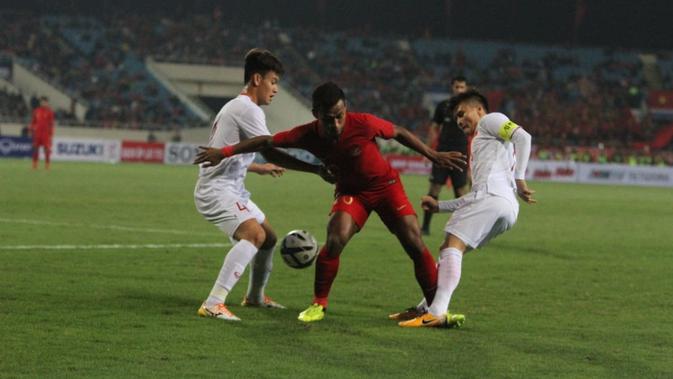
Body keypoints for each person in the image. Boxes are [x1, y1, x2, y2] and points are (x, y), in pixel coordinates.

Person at [194, 82, 466, 323]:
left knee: (414, 242)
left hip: (386, 187)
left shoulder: (363, 123)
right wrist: (224, 151)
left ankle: (433, 308)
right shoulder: (306, 134)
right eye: (328, 119)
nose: (335, 124)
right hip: (351, 192)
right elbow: (265, 141)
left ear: (345, 109)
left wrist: (433, 155)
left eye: (339, 116)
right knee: (335, 239)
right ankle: (318, 304)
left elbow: (398, 132)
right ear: (316, 115)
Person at [194, 49, 333, 321]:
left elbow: (236, 151)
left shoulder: (240, 107)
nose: (276, 89)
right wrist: (314, 169)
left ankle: (255, 297)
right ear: (257, 79)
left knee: (268, 237)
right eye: (273, 81)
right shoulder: (247, 109)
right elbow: (270, 148)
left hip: (230, 188)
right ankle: (213, 302)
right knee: (254, 235)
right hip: (217, 191)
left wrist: (257, 167)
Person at [392, 90, 536, 327]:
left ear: (478, 109)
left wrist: (520, 179)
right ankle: (426, 306)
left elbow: (524, 137)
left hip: (495, 199)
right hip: (504, 207)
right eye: (456, 118)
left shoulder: (490, 120)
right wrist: (439, 205)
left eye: (462, 113)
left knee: (452, 245)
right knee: (448, 250)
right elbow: (477, 196)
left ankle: (436, 312)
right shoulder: (483, 141)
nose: (459, 121)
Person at [421, 76, 470, 235]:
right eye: (457, 87)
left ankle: (461, 229)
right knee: (434, 189)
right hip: (442, 153)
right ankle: (425, 227)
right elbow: (434, 128)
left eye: (462, 87)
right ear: (452, 87)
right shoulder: (443, 107)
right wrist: (427, 151)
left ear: (466, 89)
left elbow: (476, 132)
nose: (459, 90)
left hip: (461, 154)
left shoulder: (470, 108)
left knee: (461, 193)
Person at [30, 96, 55, 170]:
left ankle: (47, 166)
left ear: (47, 103)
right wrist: (31, 129)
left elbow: (51, 124)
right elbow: (33, 122)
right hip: (37, 133)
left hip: (46, 134)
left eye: (45, 102)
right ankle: (35, 165)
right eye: (42, 102)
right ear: (40, 102)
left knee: (46, 150)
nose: (43, 103)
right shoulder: (36, 111)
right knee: (35, 149)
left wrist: (51, 134)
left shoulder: (50, 112)